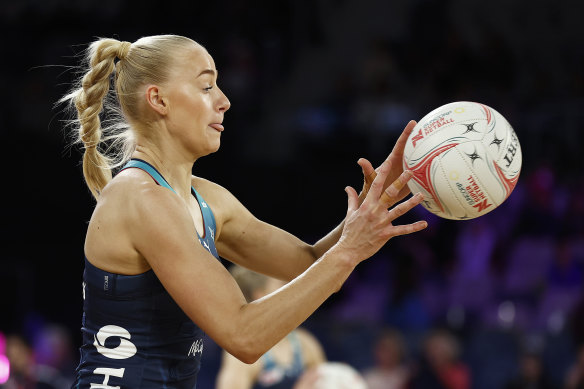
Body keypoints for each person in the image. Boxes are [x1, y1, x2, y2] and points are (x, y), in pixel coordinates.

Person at [60, 34, 427, 388]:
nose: (224, 101)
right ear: (159, 99)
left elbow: (310, 264)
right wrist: (349, 249)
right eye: (206, 87)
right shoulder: (142, 199)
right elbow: (243, 336)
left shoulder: (206, 199)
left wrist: (372, 207)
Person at [215, 265, 326, 389]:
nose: (294, 291)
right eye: (284, 286)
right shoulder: (243, 352)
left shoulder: (306, 343)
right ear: (261, 296)